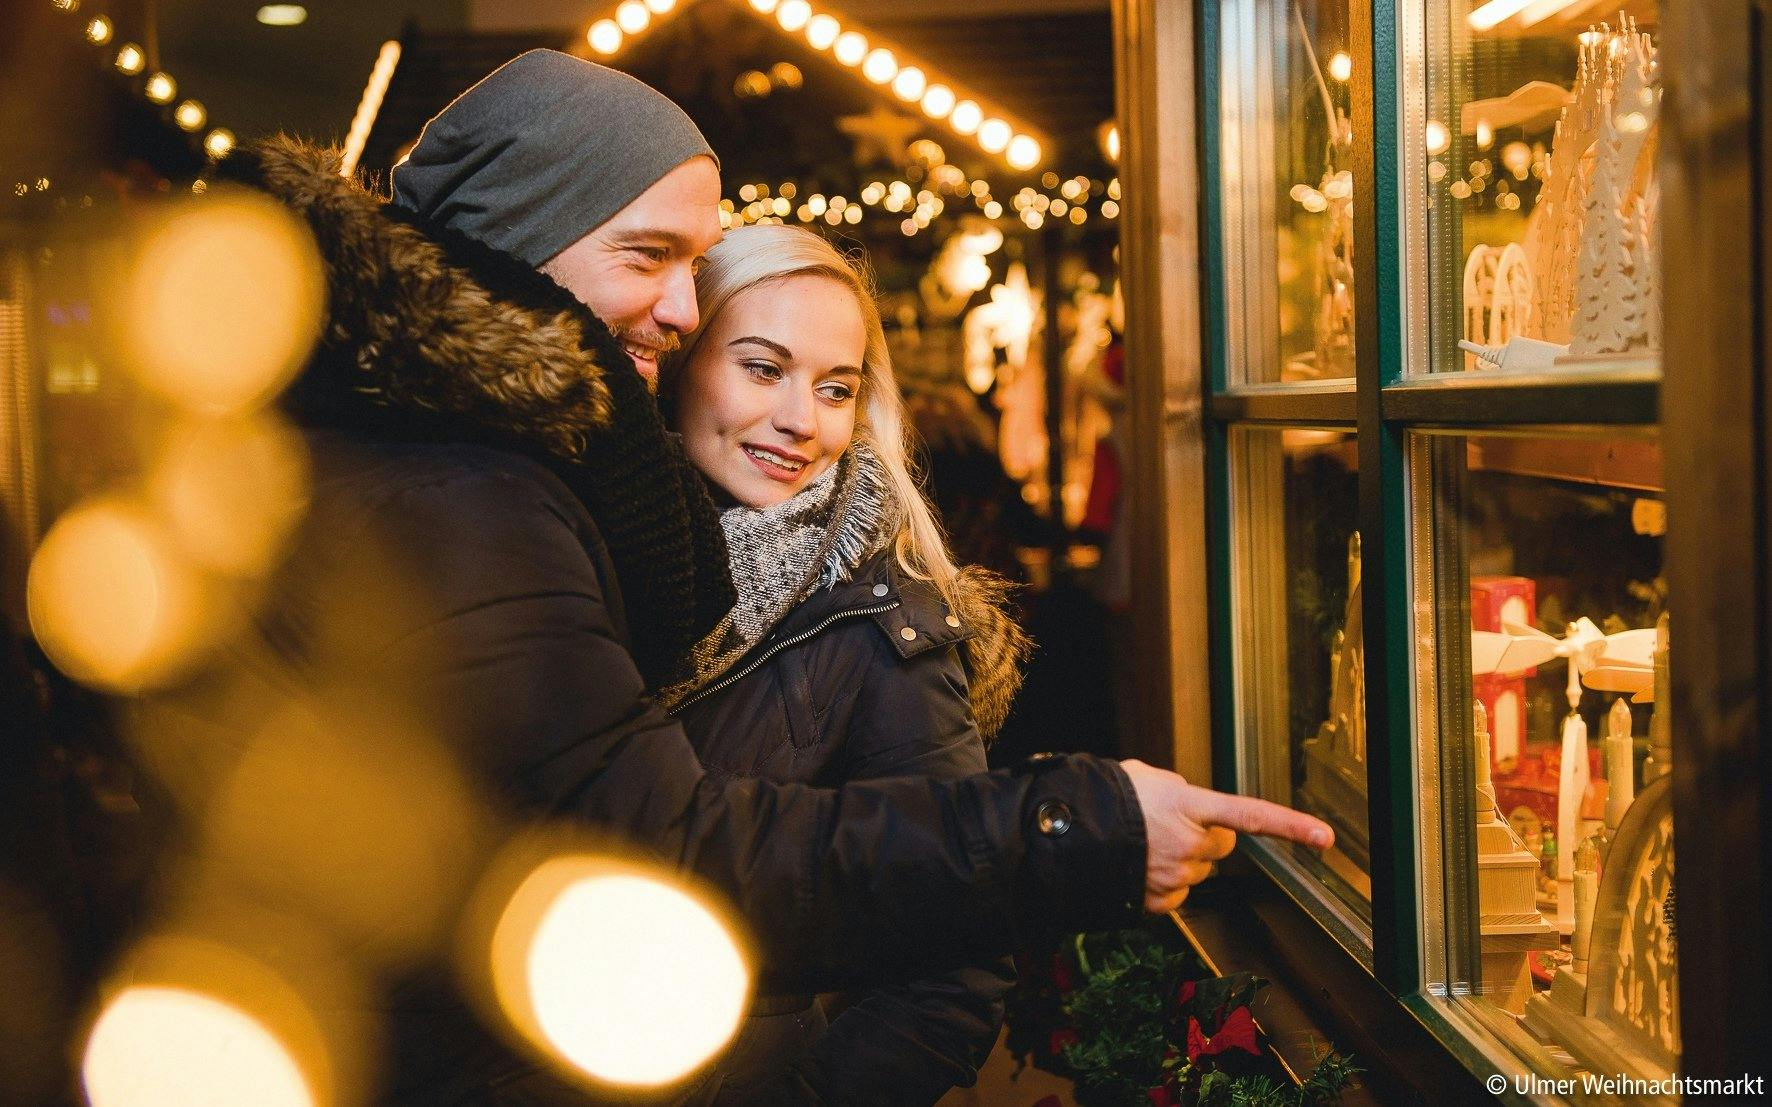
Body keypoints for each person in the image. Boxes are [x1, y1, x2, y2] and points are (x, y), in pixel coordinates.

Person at [177, 49, 1331, 1101]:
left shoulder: (848, 597)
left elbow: (932, 974)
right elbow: (656, 854)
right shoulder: (486, 486)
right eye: (651, 260)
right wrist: (1071, 826)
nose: (676, 313)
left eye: (835, 385)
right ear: (521, 233)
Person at [656, 224, 1026, 1104]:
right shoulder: (572, 552)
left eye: (835, 389)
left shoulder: (879, 618)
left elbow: (958, 954)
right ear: (679, 360)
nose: (800, 420)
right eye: (761, 367)